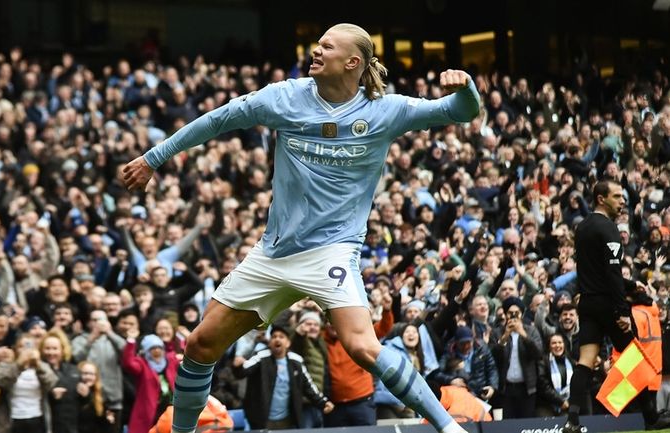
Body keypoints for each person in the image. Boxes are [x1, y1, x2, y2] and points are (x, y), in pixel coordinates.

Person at [123, 22, 480, 433]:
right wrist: (154, 157)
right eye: (317, 43)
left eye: (327, 46)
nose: (316, 50)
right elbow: (217, 120)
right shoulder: (284, 98)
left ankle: (449, 428)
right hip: (273, 254)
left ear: (353, 62)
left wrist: (465, 86)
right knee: (200, 345)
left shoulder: (386, 110)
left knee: (363, 346)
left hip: (332, 251)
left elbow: (460, 111)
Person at [563, 180, 670, 432]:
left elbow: (596, 270)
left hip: (587, 302)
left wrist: (631, 284)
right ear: (601, 199)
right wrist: (622, 310)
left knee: (585, 361)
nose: (622, 201)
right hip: (608, 304)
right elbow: (611, 273)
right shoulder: (609, 228)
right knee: (635, 356)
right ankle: (651, 417)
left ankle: (572, 421)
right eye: (617, 196)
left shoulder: (582, 228)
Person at [232, 324, 333, 429]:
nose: (277, 339)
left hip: (288, 421)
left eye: (281, 337)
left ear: (288, 343)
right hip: (261, 420)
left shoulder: (296, 361)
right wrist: (237, 366)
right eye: (274, 336)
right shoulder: (261, 357)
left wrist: (323, 402)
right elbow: (241, 372)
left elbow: (308, 386)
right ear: (270, 342)